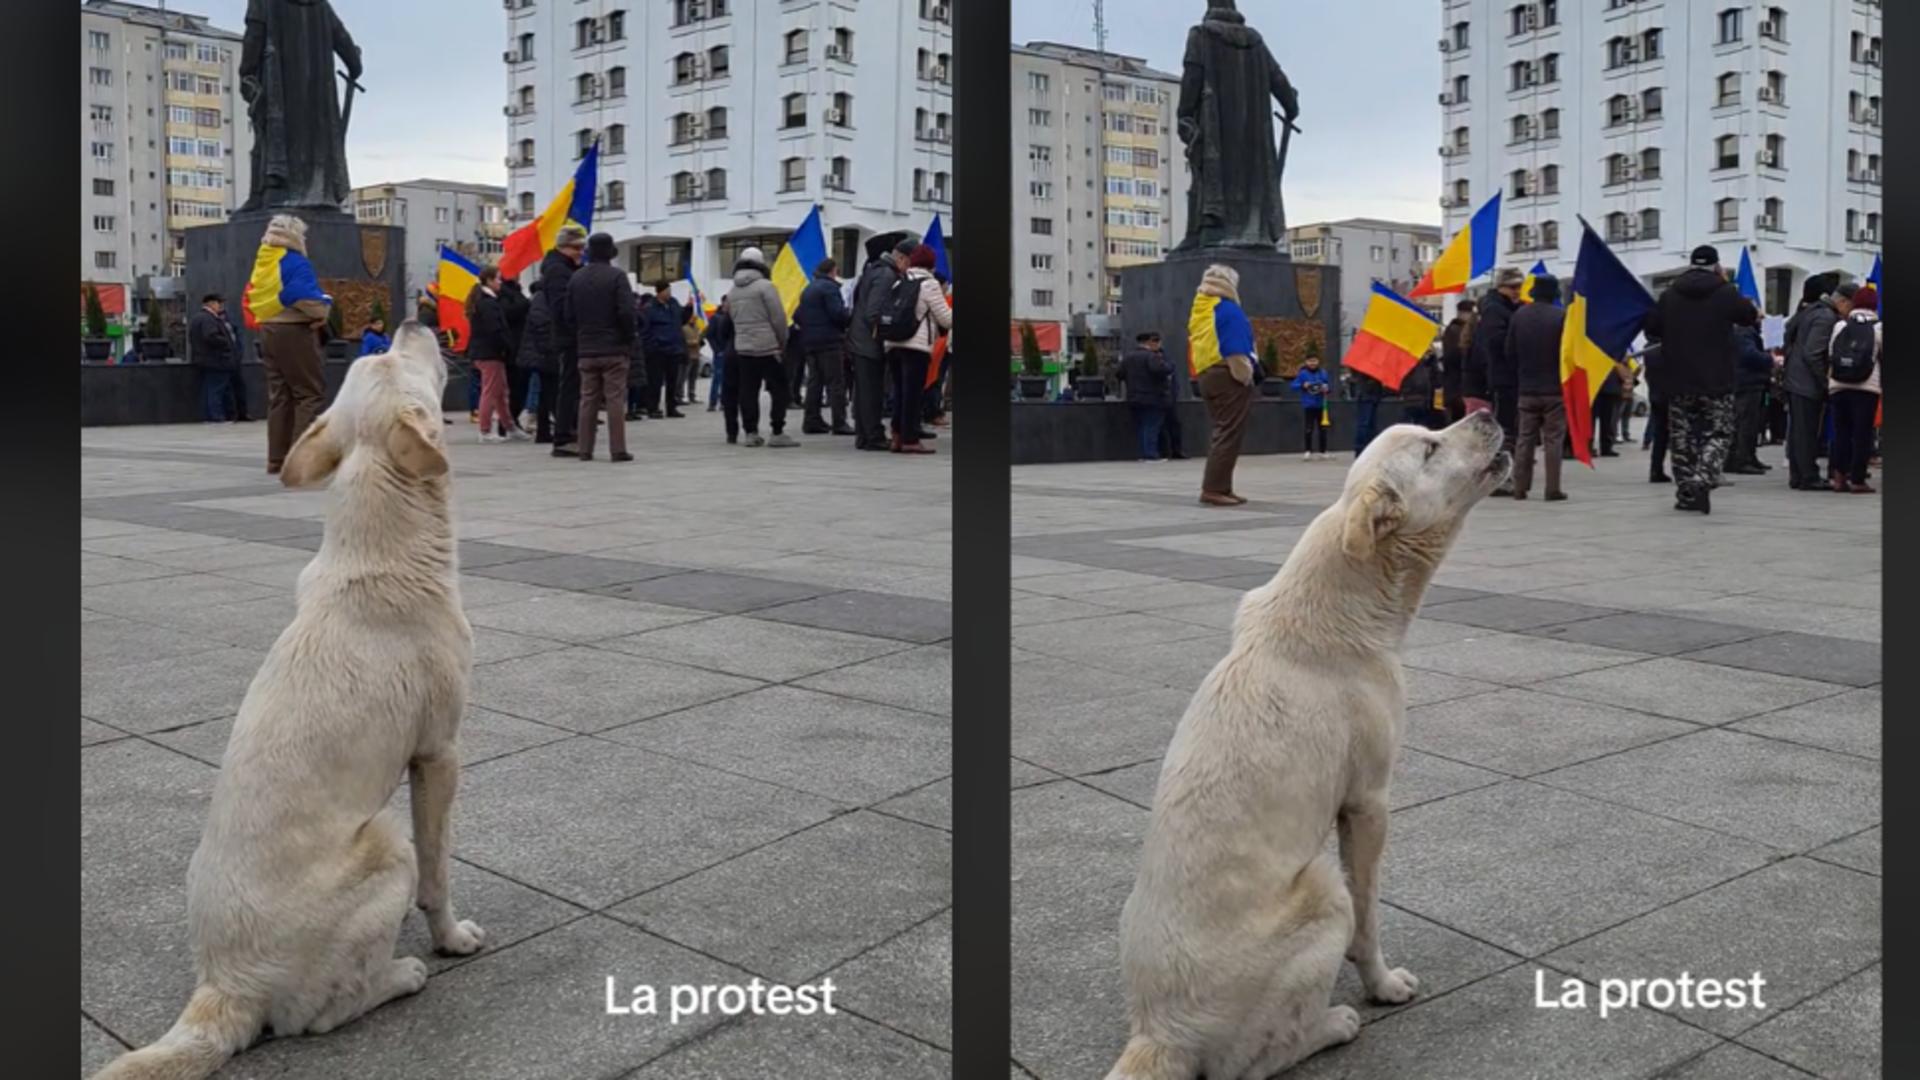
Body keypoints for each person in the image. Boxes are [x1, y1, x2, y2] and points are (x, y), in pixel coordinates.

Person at [1641, 245, 1759, 513]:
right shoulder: (1725, 292)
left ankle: (1686, 491)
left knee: (1681, 436)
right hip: (1717, 378)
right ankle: (1702, 479)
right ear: (1716, 266)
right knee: (1718, 432)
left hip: (1678, 378)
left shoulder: (1669, 294)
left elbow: (1652, 328)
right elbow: (1749, 316)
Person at [251, 214, 330, 475]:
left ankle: (276, 458)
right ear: (296, 236)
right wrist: (323, 310)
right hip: (294, 330)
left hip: (268, 329)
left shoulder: (264, 260)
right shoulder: (295, 261)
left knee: (280, 396)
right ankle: (300, 460)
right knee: (308, 393)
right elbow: (301, 297)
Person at [1188, 264, 1257, 504]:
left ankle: (1222, 487)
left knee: (1222, 431)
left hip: (1207, 374)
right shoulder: (1228, 310)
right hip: (1227, 374)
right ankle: (1214, 489)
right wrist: (1246, 375)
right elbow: (1235, 349)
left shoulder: (1202, 310)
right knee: (1228, 434)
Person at [567, 232, 636, 462]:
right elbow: (626, 312)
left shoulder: (576, 279)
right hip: (614, 348)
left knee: (588, 399)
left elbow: (568, 315)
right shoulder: (617, 277)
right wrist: (628, 338)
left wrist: (580, 335)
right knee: (615, 398)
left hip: (586, 348)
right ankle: (617, 449)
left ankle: (585, 449)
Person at [1505, 273, 1570, 500]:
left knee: (1525, 438)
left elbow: (1509, 352)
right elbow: (1568, 353)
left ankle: (1520, 487)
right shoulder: (1561, 316)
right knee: (1553, 440)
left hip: (1527, 388)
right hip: (1554, 389)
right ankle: (1552, 488)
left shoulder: (1519, 316)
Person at [883, 242, 952, 454]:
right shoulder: (929, 284)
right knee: (912, 394)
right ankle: (910, 439)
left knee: (900, 391)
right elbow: (945, 318)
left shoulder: (900, 280)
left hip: (893, 343)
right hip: (916, 345)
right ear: (930, 264)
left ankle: (896, 435)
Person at [725, 246, 796, 447]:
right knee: (780, 389)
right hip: (768, 347)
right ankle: (777, 431)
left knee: (748, 391)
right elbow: (778, 318)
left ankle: (751, 432)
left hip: (743, 348)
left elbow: (731, 318)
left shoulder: (733, 290)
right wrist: (782, 342)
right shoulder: (766, 287)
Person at [849, 237, 913, 450]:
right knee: (871, 391)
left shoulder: (876, 269)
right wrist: (888, 332)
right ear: (901, 257)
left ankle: (865, 435)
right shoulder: (886, 275)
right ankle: (872, 436)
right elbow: (873, 312)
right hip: (868, 341)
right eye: (910, 263)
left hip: (861, 339)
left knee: (866, 391)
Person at [1782, 272, 1843, 490]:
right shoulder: (1824, 316)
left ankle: (1798, 475)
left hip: (1794, 377)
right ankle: (1808, 475)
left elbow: (1788, 337)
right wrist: (1824, 380)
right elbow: (1813, 353)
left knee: (1798, 430)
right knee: (1807, 430)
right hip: (1807, 381)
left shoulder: (1804, 313)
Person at [1826, 283, 1880, 493]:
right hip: (1867, 387)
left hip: (1839, 386)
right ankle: (1857, 479)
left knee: (1841, 432)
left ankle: (1839, 477)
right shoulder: (1878, 327)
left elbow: (1831, 353)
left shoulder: (1841, 326)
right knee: (1862, 434)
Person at [1477, 268, 1525, 492]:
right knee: (1504, 429)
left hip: (1511, 376)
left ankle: (1505, 473)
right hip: (1503, 377)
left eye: (1519, 286)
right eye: (1513, 287)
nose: (1517, 291)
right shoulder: (1494, 310)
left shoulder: (1509, 308)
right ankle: (1498, 477)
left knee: (1510, 428)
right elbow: (1496, 343)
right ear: (1501, 286)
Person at [462, 265, 522, 443]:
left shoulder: (483, 300)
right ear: (488, 281)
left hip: (487, 351)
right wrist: (507, 346)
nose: (500, 283)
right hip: (489, 353)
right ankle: (485, 430)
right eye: (497, 279)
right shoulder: (487, 303)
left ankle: (509, 427)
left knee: (500, 391)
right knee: (490, 391)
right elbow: (495, 329)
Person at [795, 257, 854, 435]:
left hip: (810, 341)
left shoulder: (808, 289)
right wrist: (850, 315)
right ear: (833, 271)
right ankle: (839, 422)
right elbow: (837, 314)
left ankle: (812, 420)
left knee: (815, 382)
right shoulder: (830, 288)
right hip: (829, 341)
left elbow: (797, 315)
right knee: (836, 382)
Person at [542, 226, 587, 456]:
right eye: (577, 248)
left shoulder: (564, 268)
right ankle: (563, 436)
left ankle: (570, 431)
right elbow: (562, 307)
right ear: (563, 246)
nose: (581, 252)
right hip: (569, 337)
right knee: (570, 386)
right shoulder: (558, 271)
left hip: (569, 335)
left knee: (573, 385)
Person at [1724, 320, 1774, 475]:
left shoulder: (1743, 331)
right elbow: (1748, 354)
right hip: (1748, 383)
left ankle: (1748, 457)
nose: (1762, 318)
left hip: (1746, 381)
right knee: (1746, 422)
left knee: (1750, 422)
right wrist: (1768, 358)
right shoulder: (1744, 332)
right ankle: (1742, 459)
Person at [1119, 331, 1173, 461]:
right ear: (1150, 342)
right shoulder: (1152, 357)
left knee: (1142, 426)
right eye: (1158, 342)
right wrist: (1167, 366)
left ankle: (1143, 454)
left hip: (1134, 397)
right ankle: (1151, 455)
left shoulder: (1128, 357)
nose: (1160, 345)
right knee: (1152, 426)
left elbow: (1119, 374)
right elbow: (1160, 370)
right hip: (1153, 397)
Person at [640, 281, 688, 419]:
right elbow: (645, 329)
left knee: (672, 381)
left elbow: (681, 320)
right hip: (657, 351)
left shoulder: (673, 303)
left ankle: (671, 407)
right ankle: (653, 408)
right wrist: (652, 346)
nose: (669, 293)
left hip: (674, 349)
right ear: (659, 292)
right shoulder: (650, 307)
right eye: (667, 290)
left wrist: (689, 309)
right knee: (655, 381)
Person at [188, 293, 239, 423]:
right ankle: (216, 417)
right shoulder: (208, 319)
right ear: (210, 304)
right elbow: (210, 337)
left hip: (206, 360)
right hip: (216, 360)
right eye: (218, 303)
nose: (221, 306)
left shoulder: (197, 318)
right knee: (216, 390)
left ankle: (212, 416)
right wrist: (227, 344)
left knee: (211, 389)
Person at [521, 279, 559, 443]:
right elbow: (542, 326)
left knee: (547, 391)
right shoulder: (542, 299)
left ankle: (545, 429)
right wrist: (550, 348)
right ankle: (544, 430)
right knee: (547, 391)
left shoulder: (541, 299)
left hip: (541, 353)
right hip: (543, 354)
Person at [499, 278, 531, 429]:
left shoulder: (515, 292)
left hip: (520, 347)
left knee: (520, 388)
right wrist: (524, 303)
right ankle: (507, 422)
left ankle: (512, 419)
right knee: (514, 388)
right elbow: (509, 313)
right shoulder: (504, 295)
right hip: (512, 349)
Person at [1290, 355, 1331, 460]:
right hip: (1309, 405)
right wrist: (1303, 385)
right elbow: (1293, 385)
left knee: (1323, 429)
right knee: (1309, 428)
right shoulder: (1303, 374)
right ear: (1306, 362)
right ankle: (1307, 451)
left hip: (1322, 405)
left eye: (1314, 361)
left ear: (1318, 361)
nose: (1312, 363)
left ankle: (1323, 451)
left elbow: (1328, 386)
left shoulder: (1323, 373)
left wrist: (1326, 388)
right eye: (1310, 361)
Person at [1441, 299, 1475, 422]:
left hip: (1456, 386)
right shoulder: (1455, 331)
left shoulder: (1454, 330)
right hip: (1457, 387)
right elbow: (1453, 356)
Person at [704, 294, 734, 417]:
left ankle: (724, 402)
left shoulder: (733, 317)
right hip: (720, 352)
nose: (728, 304)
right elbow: (710, 335)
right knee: (718, 377)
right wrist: (717, 350)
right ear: (722, 303)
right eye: (726, 302)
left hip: (731, 352)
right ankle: (712, 402)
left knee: (729, 379)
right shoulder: (716, 318)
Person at [1349, 368, 1386, 456]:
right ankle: (1360, 449)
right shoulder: (1367, 368)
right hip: (1366, 395)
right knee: (1364, 424)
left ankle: (1368, 449)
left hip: (1372, 395)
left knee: (1370, 425)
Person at [680, 301, 704, 409]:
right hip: (688, 355)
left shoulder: (697, 328)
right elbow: (683, 341)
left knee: (693, 377)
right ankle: (680, 395)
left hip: (696, 355)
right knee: (683, 376)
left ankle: (692, 394)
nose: (694, 318)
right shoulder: (684, 328)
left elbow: (700, 339)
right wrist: (692, 342)